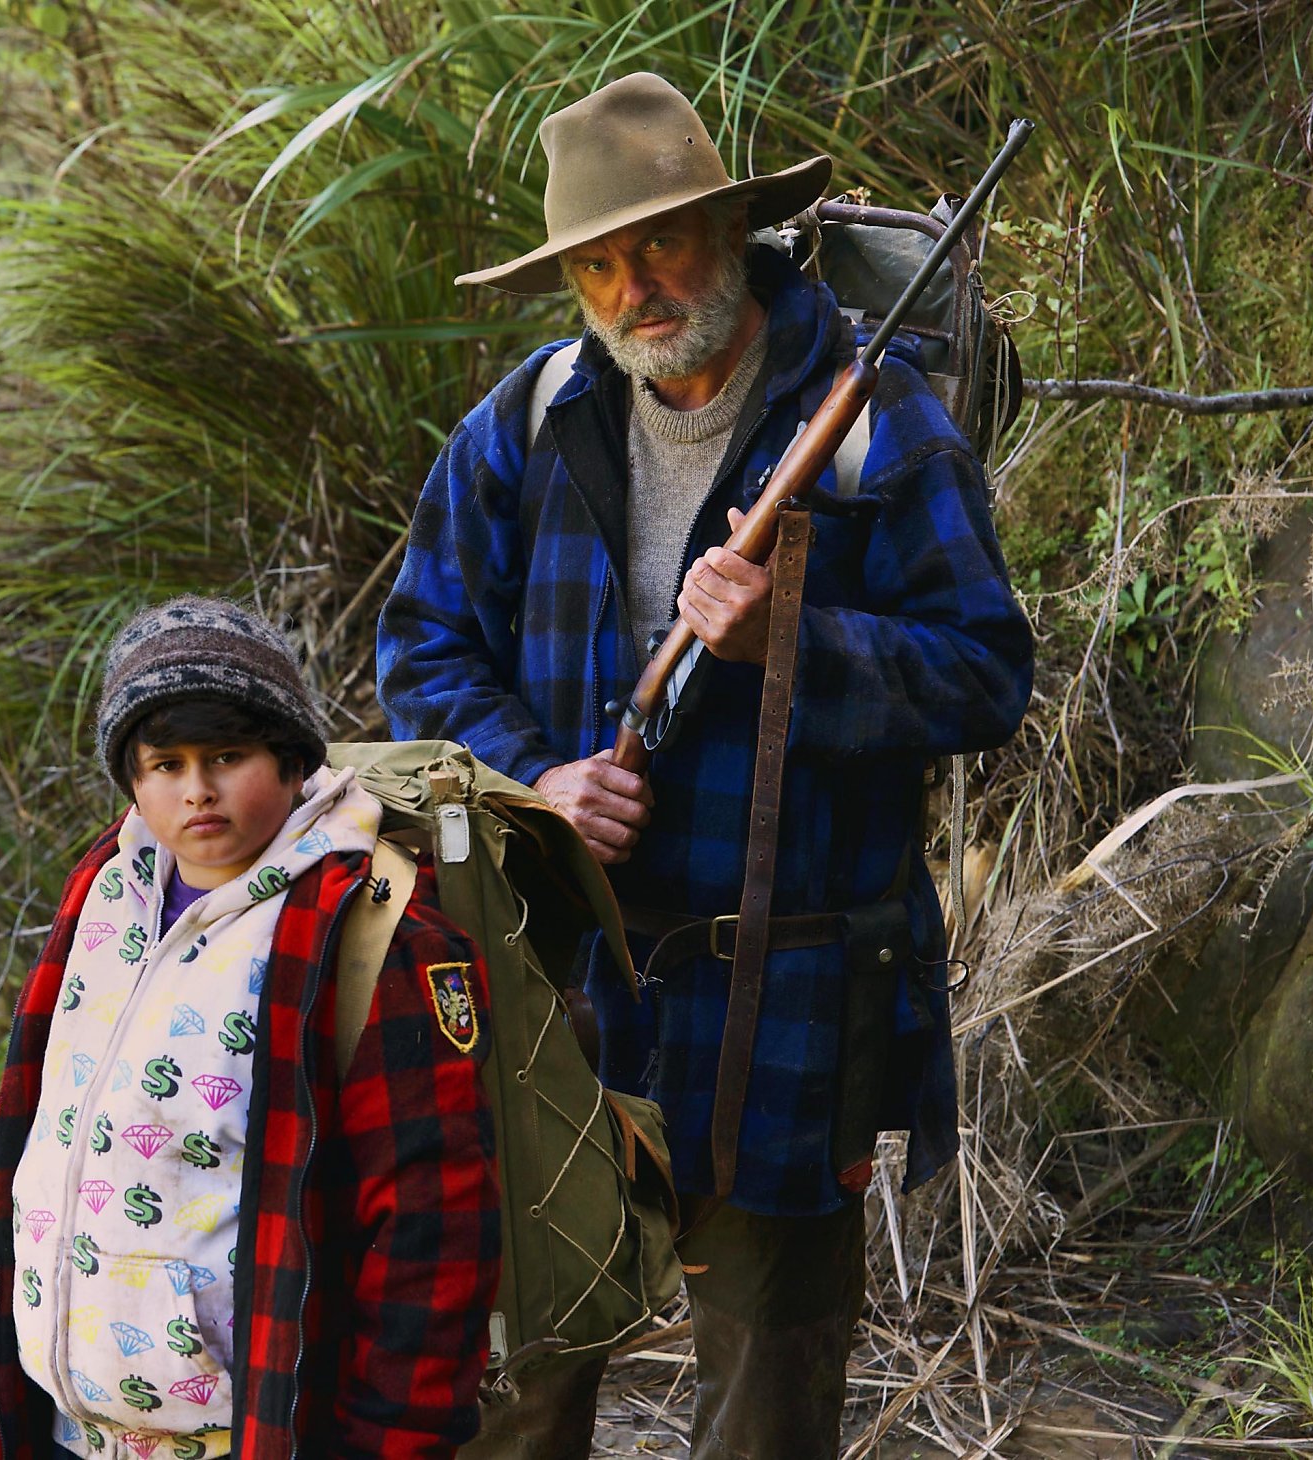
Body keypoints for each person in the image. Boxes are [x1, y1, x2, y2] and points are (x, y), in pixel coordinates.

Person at [377, 74, 1033, 1459]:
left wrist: (796, 635)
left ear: (734, 225)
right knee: (517, 1384)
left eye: (662, 244)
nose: (635, 290)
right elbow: (424, 648)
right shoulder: (531, 419)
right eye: (599, 265)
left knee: (769, 1405)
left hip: (790, 996)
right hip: (567, 988)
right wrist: (532, 783)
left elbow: (986, 674)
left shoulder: (874, 420)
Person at [0, 596, 501, 1460]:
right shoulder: (107, 888)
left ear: (292, 762)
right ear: (131, 780)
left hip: (249, 1431)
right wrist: (2, 1297)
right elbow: (35, 1104)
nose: (197, 790)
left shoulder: (362, 929)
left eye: (227, 755)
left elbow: (432, 1218)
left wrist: (391, 1439)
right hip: (73, 1422)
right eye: (164, 764)